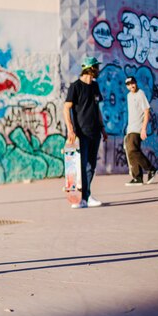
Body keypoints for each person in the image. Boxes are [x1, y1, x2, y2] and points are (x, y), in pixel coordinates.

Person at [63, 56, 108, 209]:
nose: (99, 70)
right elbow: (66, 108)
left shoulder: (95, 86)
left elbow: (97, 109)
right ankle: (80, 198)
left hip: (95, 132)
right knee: (81, 166)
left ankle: (87, 197)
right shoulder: (75, 87)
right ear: (90, 68)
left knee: (91, 166)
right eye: (97, 67)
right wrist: (70, 129)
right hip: (81, 133)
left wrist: (102, 128)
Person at [123, 76, 157, 186]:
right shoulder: (129, 96)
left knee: (133, 150)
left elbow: (146, 111)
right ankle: (137, 177)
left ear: (136, 83)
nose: (131, 86)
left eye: (133, 83)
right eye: (128, 84)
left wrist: (143, 129)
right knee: (131, 152)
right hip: (130, 128)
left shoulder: (140, 94)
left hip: (137, 128)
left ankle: (151, 169)